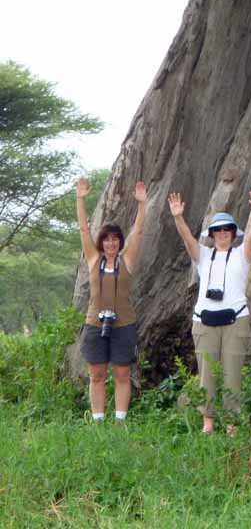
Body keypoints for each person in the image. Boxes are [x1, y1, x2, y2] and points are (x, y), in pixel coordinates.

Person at [168, 189, 251, 434]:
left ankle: (232, 425)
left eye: (227, 230)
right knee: (207, 374)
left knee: (233, 373)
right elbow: (188, 240)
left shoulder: (242, 254)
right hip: (204, 321)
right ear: (211, 235)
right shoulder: (204, 256)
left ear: (233, 233)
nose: (222, 234)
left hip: (236, 319)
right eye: (218, 231)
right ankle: (207, 423)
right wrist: (178, 217)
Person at [77, 177, 147, 423]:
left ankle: (120, 422)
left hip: (124, 324)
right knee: (96, 374)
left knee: (122, 373)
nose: (110, 243)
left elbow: (138, 231)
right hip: (95, 324)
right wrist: (81, 199)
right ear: (101, 242)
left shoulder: (126, 260)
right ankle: (97, 422)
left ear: (119, 242)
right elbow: (84, 229)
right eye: (106, 239)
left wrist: (142, 204)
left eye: (115, 239)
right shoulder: (94, 260)